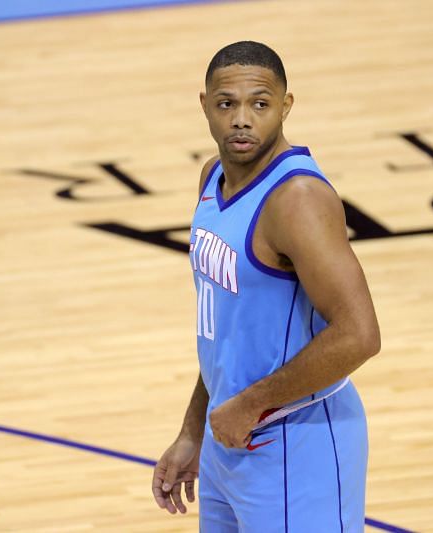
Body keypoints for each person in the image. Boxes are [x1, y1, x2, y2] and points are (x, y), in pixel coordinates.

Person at [151, 41, 381, 532]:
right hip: (228, 437)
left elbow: (360, 334)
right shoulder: (212, 179)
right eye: (226, 103)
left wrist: (252, 405)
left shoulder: (297, 199)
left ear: (286, 106)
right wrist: (194, 429)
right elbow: (227, 335)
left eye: (260, 103)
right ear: (205, 106)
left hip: (297, 443)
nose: (241, 119)